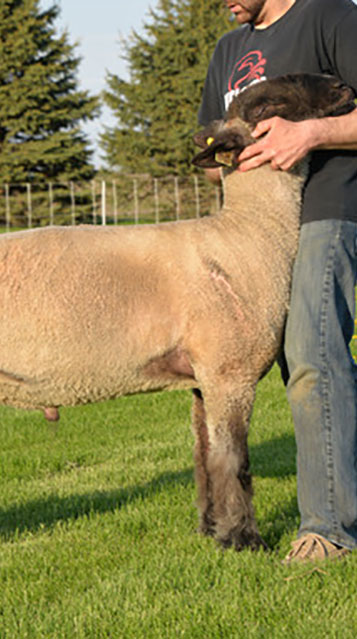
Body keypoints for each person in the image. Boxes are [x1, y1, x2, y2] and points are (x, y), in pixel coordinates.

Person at [198, 0, 357, 563]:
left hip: (328, 209)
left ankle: (330, 529)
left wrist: (310, 133)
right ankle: (220, 515)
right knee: (244, 369)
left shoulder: (331, 16)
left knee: (313, 357)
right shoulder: (229, 48)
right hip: (256, 232)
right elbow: (214, 156)